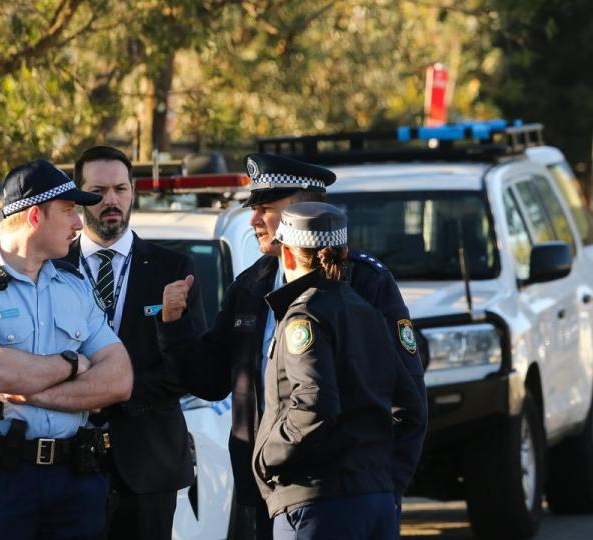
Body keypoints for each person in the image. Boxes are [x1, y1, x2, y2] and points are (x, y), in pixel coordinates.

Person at [157, 153, 428, 540]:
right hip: (268, 500)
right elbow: (210, 379)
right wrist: (175, 327)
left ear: (303, 211)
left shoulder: (367, 284)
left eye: (265, 208)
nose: (253, 220)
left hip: (341, 498)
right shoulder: (251, 286)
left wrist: (389, 485)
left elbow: (409, 400)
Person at [0, 159, 134, 539]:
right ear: (35, 216)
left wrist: (30, 390)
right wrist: (74, 363)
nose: (79, 223)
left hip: (73, 481)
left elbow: (119, 379)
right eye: (69, 210)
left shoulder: (75, 286)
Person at [56, 145, 207, 539]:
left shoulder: (173, 269)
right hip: (65, 463)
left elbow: (186, 368)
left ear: (133, 192)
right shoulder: (52, 269)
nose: (111, 201)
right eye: (99, 190)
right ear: (77, 196)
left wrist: (115, 393)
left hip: (148, 462)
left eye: (120, 189)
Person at [251, 201, 425, 539]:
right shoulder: (367, 311)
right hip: (374, 501)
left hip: (317, 504)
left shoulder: (303, 317)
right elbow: (412, 407)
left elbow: (314, 405)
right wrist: (385, 480)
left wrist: (267, 455)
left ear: (287, 255)